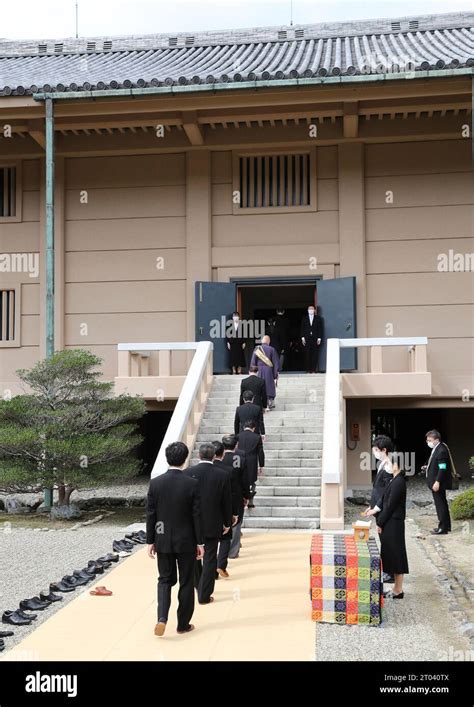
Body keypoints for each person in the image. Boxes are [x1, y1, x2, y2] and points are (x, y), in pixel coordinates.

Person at [146, 441, 203, 637]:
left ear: (166, 457)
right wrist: (200, 542)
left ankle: (162, 618)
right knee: (186, 581)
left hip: (163, 540)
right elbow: (197, 515)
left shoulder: (156, 483)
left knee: (164, 580)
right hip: (187, 541)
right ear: (185, 458)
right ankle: (183, 624)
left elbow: (151, 514)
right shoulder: (192, 484)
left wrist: (150, 540)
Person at [185, 443, 232, 604]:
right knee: (210, 557)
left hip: (192, 522)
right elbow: (226, 502)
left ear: (199, 456)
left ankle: (199, 586)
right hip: (213, 520)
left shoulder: (188, 473)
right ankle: (205, 594)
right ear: (214, 456)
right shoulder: (222, 474)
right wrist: (227, 522)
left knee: (195, 556)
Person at [363, 435, 395, 583]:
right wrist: (372, 505)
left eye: (376, 450)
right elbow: (378, 489)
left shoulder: (390, 466)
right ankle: (387, 569)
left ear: (384, 450)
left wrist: (377, 508)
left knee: (388, 541)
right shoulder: (383, 463)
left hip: (384, 510)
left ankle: (390, 572)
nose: (374, 453)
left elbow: (387, 493)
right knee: (384, 540)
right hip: (378, 507)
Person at [376, 462, 409, 599]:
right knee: (392, 554)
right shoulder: (394, 479)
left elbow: (390, 505)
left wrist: (380, 521)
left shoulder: (399, 482)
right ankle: (396, 588)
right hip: (391, 521)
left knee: (396, 554)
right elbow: (384, 500)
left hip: (394, 522)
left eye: (390, 463)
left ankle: (398, 590)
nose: (387, 466)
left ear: (397, 465)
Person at [212, 440, 239, 578]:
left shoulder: (196, 471)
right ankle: (220, 565)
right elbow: (231, 494)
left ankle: (211, 570)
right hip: (223, 509)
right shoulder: (228, 470)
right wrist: (234, 513)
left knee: (209, 542)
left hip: (206, 511)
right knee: (225, 538)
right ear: (222, 454)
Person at [221, 434, 251, 559]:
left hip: (221, 494)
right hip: (236, 495)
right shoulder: (240, 458)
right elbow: (245, 480)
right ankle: (233, 551)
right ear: (236, 445)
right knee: (237, 523)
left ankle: (221, 549)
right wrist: (246, 495)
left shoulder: (218, 458)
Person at [422, 429, 453, 535]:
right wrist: (427, 467)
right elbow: (436, 464)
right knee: (442, 503)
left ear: (436, 439)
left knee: (440, 505)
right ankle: (446, 526)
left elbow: (443, 467)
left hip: (438, 483)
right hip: (436, 481)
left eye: (429, 440)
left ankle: (443, 528)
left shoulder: (441, 450)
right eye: (427, 440)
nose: (428, 442)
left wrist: (437, 481)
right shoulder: (437, 448)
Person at [237, 420, 265, 510]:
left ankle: (241, 501)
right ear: (253, 428)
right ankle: (250, 501)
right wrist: (261, 465)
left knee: (239, 481)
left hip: (238, 461)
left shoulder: (238, 436)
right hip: (251, 463)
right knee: (251, 482)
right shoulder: (257, 437)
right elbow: (260, 452)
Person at [250, 335, 279, 410]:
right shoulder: (272, 349)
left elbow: (253, 362)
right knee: (269, 387)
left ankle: (260, 404)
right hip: (269, 371)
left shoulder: (257, 349)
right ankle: (269, 404)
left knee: (259, 387)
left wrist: (253, 373)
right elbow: (275, 363)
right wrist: (275, 375)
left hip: (259, 370)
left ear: (262, 341)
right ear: (269, 342)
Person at [300, 304, 323, 373]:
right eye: (310, 309)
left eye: (312, 309)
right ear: (307, 310)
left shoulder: (318, 318)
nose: (311, 310)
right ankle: (307, 370)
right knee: (307, 354)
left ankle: (313, 370)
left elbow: (320, 329)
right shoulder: (304, 318)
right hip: (307, 339)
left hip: (315, 339)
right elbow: (302, 329)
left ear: (314, 310)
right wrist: (302, 338)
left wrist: (319, 338)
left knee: (315, 354)